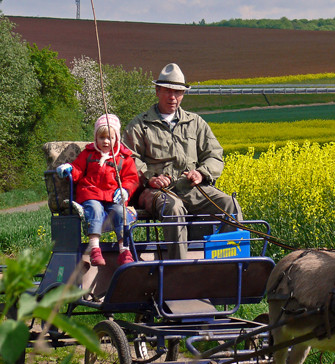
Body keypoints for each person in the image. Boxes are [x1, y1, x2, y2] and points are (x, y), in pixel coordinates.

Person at [122, 62, 241, 259]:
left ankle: (228, 264)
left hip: (191, 188)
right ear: (157, 90)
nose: (173, 97)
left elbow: (214, 155)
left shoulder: (195, 123)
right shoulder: (140, 125)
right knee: (174, 208)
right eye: (168, 91)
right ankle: (178, 269)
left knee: (230, 205)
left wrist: (201, 173)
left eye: (178, 92)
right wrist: (150, 178)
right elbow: (127, 158)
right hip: (156, 192)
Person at [56, 114, 139, 266]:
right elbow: (78, 169)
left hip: (113, 196)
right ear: (96, 138)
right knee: (94, 209)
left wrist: (125, 190)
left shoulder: (123, 157)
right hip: (91, 193)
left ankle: (124, 250)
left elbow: (131, 179)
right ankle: (94, 248)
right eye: (102, 137)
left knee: (121, 212)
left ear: (116, 138)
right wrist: (69, 168)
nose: (106, 141)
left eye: (110, 138)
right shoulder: (88, 154)